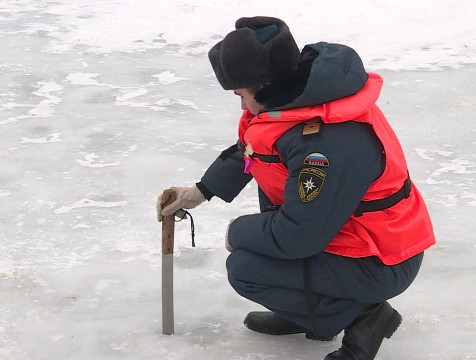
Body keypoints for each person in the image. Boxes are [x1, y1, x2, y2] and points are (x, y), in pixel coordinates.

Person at [156, 16, 435, 360]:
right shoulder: (293, 102)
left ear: (263, 84)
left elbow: (298, 235)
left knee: (246, 268)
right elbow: (256, 150)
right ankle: (307, 310)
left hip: (381, 258)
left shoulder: (326, 144)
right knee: (270, 213)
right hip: (350, 235)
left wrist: (237, 230)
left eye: (241, 94)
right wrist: (202, 190)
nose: (242, 106)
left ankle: (366, 315)